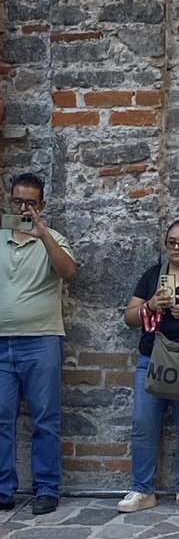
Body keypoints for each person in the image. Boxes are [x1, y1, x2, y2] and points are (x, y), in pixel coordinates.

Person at [0, 171, 77, 517]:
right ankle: (1, 491)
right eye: (18, 201)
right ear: (9, 201)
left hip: (42, 341)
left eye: (31, 202)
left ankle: (47, 489)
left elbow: (67, 271)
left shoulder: (54, 239)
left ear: (41, 205)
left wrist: (42, 233)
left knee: (46, 418)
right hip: (1, 344)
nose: (23, 207)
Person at [118, 220, 179, 513]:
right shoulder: (154, 275)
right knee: (144, 424)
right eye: (171, 242)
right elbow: (129, 317)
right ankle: (143, 490)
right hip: (153, 358)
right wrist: (152, 305)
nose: (176, 248)